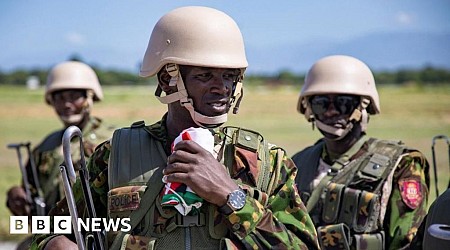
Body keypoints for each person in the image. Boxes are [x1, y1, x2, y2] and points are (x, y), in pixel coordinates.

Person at [32, 6, 320, 250]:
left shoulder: (266, 162)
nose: (221, 88)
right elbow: (47, 228)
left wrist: (230, 196)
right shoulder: (114, 156)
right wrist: (54, 241)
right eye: (205, 75)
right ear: (168, 81)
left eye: (229, 76)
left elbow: (303, 244)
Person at [291, 55, 430, 250]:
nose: (331, 112)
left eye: (343, 103)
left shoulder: (400, 166)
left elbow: (407, 244)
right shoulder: (297, 164)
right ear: (309, 109)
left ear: (363, 106)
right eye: (321, 103)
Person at [6, 61, 113, 249]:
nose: (67, 104)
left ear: (90, 97)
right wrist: (16, 196)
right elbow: (30, 195)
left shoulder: (114, 140)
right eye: (59, 98)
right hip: (54, 234)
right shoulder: (45, 147)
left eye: (74, 97)